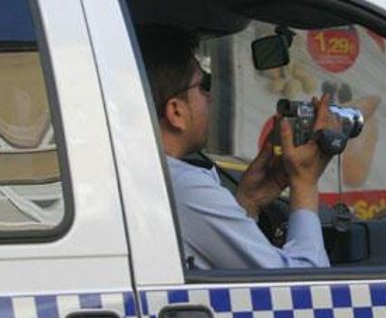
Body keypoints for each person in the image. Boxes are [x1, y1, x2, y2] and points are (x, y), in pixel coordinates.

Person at [140, 26, 333, 269]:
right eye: (204, 85)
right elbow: (304, 289)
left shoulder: (145, 176)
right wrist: (305, 183)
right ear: (176, 111)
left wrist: (247, 202)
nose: (210, 97)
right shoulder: (180, 186)